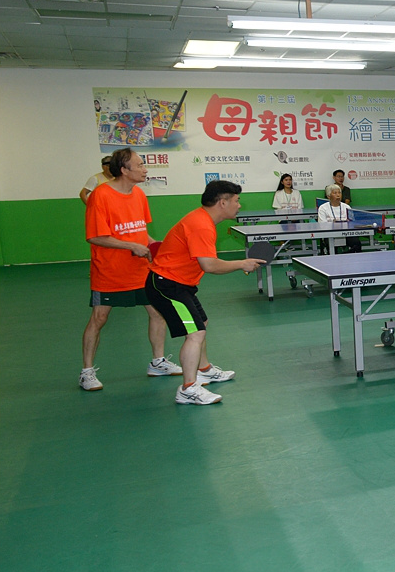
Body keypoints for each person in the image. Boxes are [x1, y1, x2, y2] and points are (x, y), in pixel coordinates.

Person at [144, 180, 265, 405]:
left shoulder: (203, 220)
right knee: (196, 332)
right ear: (222, 202)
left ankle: (204, 369)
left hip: (180, 283)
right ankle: (188, 388)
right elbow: (209, 265)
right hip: (167, 285)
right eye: (236, 200)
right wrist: (241, 263)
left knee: (202, 323)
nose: (239, 205)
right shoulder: (201, 225)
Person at [80, 147, 180, 391]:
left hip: (141, 269)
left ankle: (157, 362)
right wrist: (131, 246)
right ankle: (87, 372)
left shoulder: (139, 195)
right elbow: (95, 236)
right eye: (140, 165)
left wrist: (155, 246)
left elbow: (140, 232)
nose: (145, 169)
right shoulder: (100, 196)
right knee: (99, 318)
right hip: (109, 271)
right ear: (124, 170)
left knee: (157, 312)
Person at [318, 183, 361, 253]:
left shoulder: (347, 207)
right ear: (329, 196)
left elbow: (352, 223)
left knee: (356, 243)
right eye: (335, 193)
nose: (338, 195)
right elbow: (322, 225)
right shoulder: (323, 208)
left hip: (346, 234)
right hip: (330, 234)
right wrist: (333, 224)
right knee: (331, 247)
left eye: (339, 193)